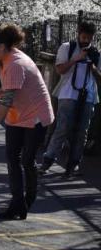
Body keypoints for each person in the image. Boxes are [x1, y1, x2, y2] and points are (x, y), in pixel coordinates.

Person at [0, 24, 54, 221]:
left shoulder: (14, 63)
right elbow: (10, 92)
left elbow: (6, 102)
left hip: (36, 116)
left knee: (27, 160)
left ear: (2, 46)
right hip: (18, 115)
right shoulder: (7, 58)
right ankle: (18, 203)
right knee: (12, 158)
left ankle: (27, 200)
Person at [40, 21, 100, 178]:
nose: (86, 40)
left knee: (82, 132)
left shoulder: (95, 52)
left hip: (88, 96)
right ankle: (48, 159)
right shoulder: (67, 47)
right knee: (62, 128)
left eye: (89, 38)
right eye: (84, 37)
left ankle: (73, 164)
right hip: (68, 94)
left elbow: (99, 77)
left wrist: (92, 67)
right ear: (78, 34)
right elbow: (60, 69)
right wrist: (77, 58)